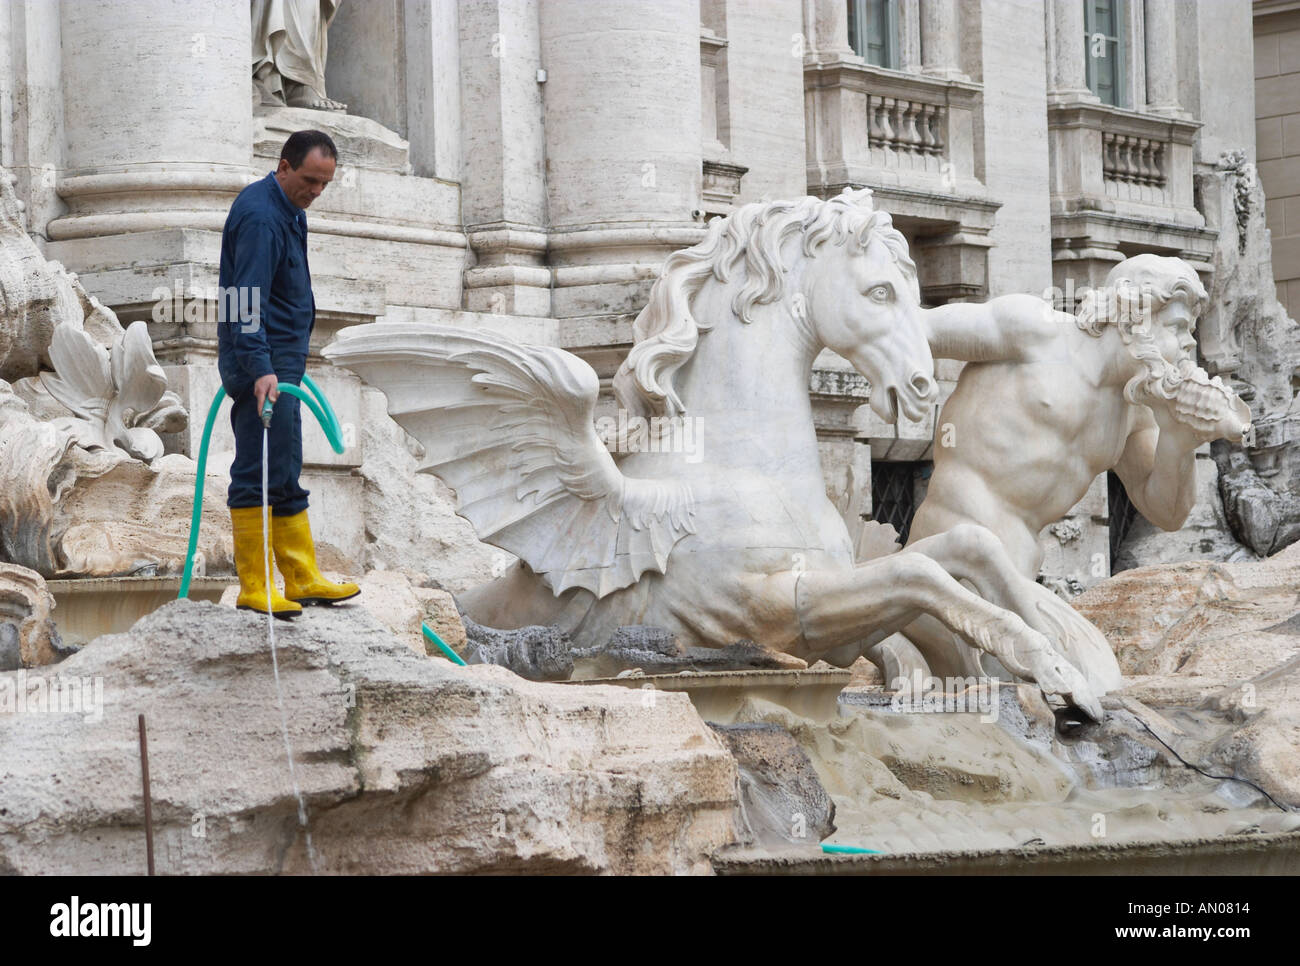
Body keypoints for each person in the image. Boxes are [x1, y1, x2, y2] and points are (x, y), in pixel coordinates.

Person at [892, 253, 1249, 679]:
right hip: (947, 563)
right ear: (1133, 316)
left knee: (1095, 684)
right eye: (1177, 328)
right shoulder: (1035, 331)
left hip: (1018, 581)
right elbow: (910, 328)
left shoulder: (1134, 411)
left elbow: (1167, 511)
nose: (1190, 345)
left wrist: (1179, 437)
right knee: (1080, 686)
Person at [217, 129, 359, 617]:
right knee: (257, 470)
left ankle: (299, 577)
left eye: (324, 184)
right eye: (309, 180)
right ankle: (256, 586)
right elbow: (244, 300)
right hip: (263, 369)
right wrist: (259, 369)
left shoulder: (290, 210)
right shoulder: (260, 215)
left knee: (284, 467)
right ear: (283, 166)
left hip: (283, 367)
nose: (315, 192)